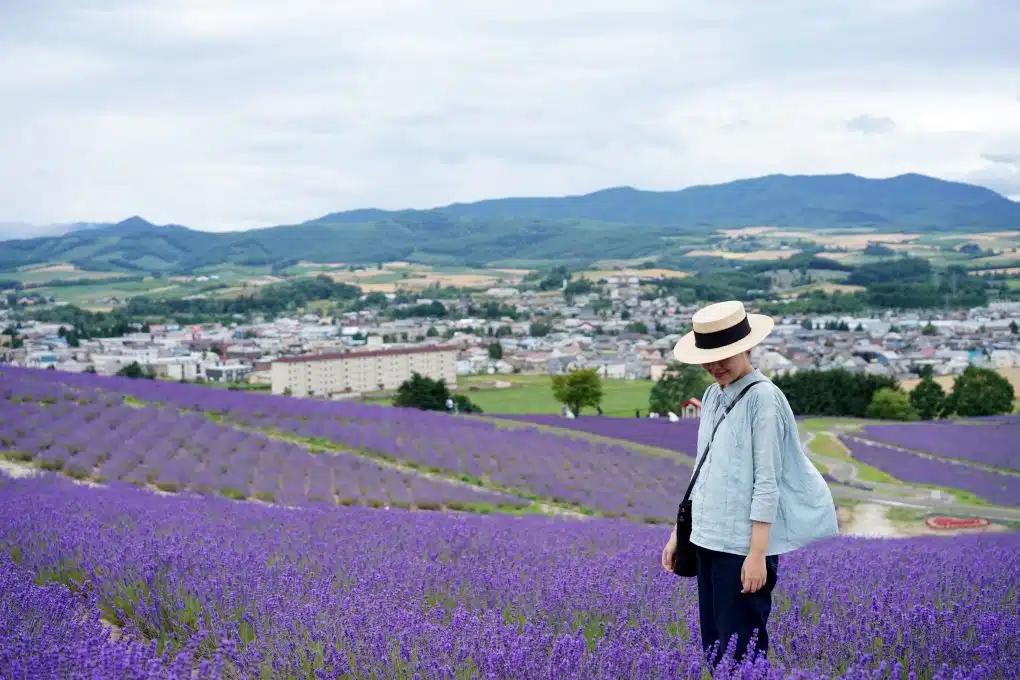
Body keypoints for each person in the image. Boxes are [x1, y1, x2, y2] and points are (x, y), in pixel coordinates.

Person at [659, 300, 838, 668]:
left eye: (724, 356)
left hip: (741, 549)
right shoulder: (711, 396)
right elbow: (703, 469)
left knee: (742, 654)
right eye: (708, 357)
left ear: (747, 347)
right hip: (705, 538)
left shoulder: (764, 399)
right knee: (715, 651)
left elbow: (767, 482)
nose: (715, 366)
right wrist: (678, 534)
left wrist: (757, 554)